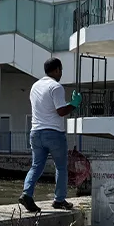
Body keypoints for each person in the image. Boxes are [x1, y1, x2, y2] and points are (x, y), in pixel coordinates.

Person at [18, 57, 82, 213]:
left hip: (35, 133)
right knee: (61, 167)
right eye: (61, 70)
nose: (61, 74)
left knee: (36, 165)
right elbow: (61, 111)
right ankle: (59, 200)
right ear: (57, 70)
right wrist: (74, 104)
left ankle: (27, 193)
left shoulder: (35, 86)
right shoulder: (56, 87)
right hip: (53, 133)